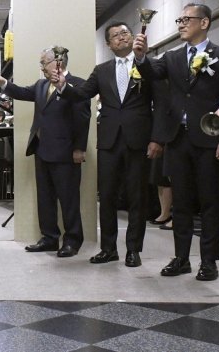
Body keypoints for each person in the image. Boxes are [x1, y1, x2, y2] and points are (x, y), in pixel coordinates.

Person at [134, 2, 219, 281]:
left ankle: (209, 261)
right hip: (178, 139)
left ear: (204, 23)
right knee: (180, 202)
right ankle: (181, 258)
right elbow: (152, 73)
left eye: (186, 19)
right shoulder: (172, 57)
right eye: (179, 19)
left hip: (209, 139)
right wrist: (141, 57)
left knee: (210, 201)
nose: (180, 24)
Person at [53, 22, 164, 268]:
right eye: (115, 35)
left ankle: (134, 250)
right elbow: (82, 93)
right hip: (109, 141)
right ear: (108, 44)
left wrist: (157, 138)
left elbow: (161, 102)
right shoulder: (101, 70)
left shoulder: (148, 65)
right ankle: (108, 248)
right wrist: (63, 85)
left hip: (139, 139)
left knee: (137, 197)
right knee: (108, 196)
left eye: (125, 33)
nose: (121, 37)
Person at [0, 47, 90, 257]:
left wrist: (79, 148)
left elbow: (83, 118)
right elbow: (21, 92)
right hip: (42, 150)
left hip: (66, 153)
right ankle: (49, 238)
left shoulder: (79, 84)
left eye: (44, 62)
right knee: (45, 198)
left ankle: (72, 240)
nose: (42, 67)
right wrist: (4, 83)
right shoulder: (41, 85)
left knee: (69, 199)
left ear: (58, 62)